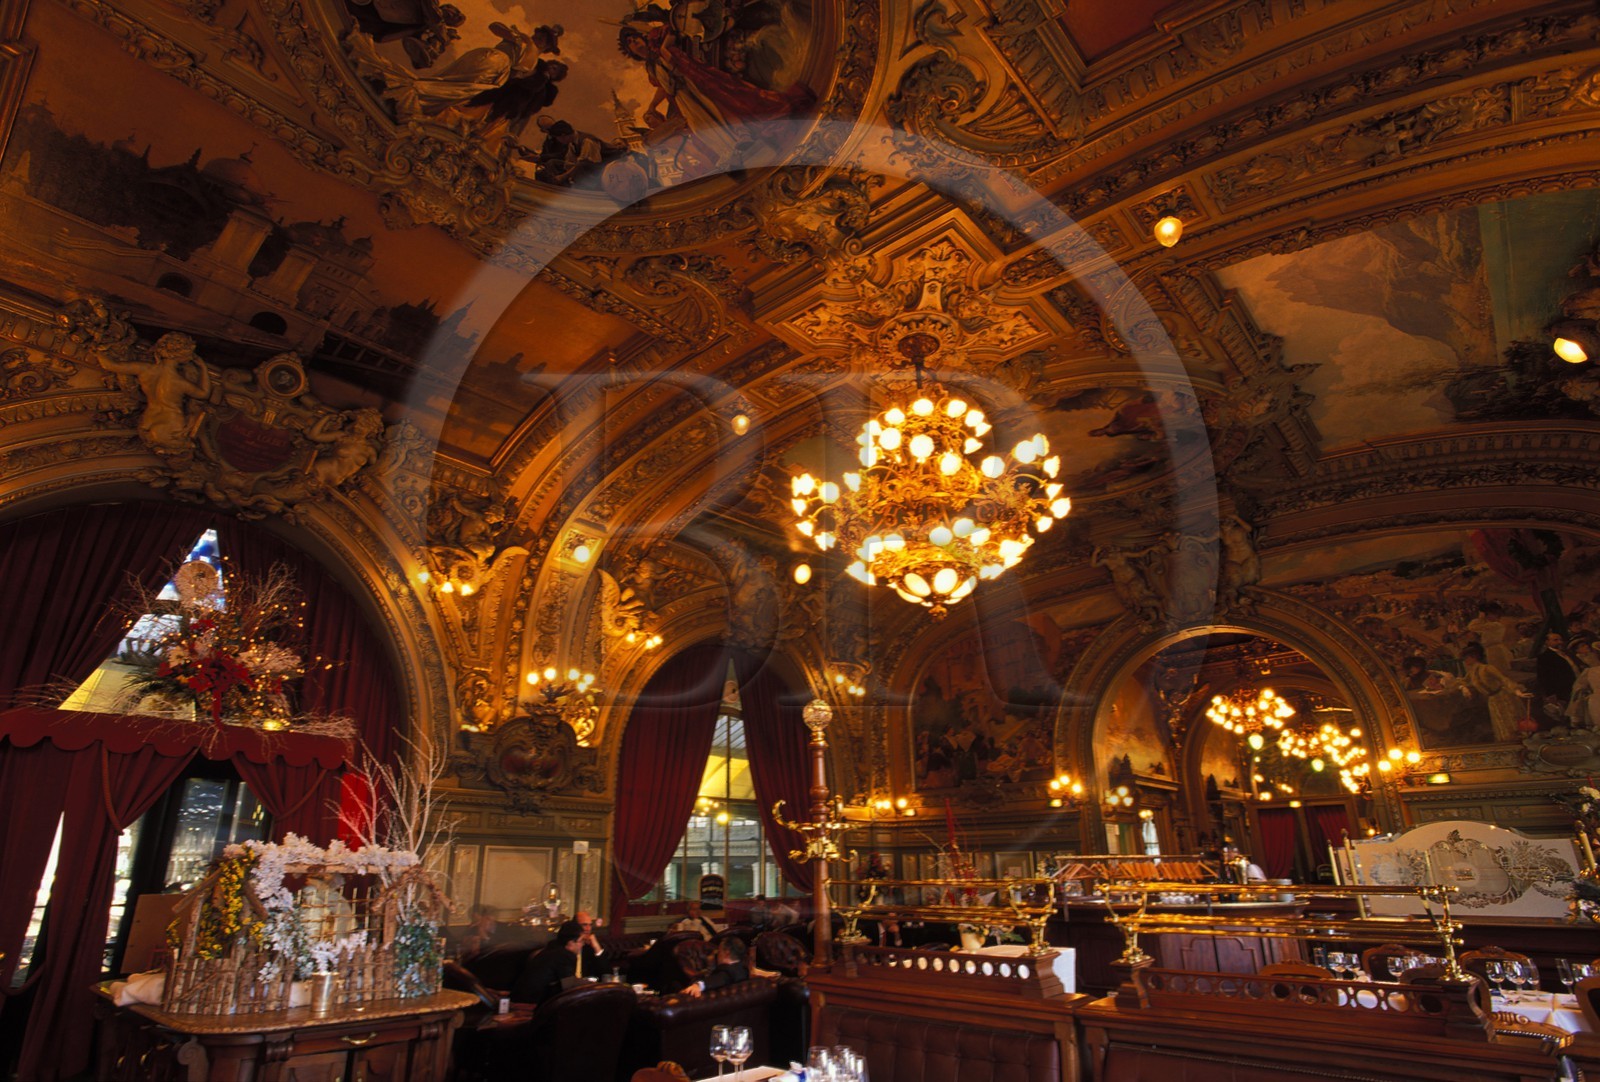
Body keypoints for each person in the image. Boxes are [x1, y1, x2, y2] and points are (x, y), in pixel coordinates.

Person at [511, 919, 583, 1004]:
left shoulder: (552, 948)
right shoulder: (565, 955)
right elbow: (569, 985)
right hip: (532, 1003)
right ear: (570, 943)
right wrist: (595, 985)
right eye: (581, 941)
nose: (582, 944)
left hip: (520, 997)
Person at [681, 935, 749, 997]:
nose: (717, 955)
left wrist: (698, 985)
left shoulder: (727, 971)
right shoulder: (745, 969)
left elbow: (719, 979)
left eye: (719, 951)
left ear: (727, 953)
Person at [573, 910, 608, 978]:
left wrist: (597, 948)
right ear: (574, 926)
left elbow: (606, 974)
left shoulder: (591, 946)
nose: (588, 929)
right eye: (584, 925)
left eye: (590, 925)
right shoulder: (566, 945)